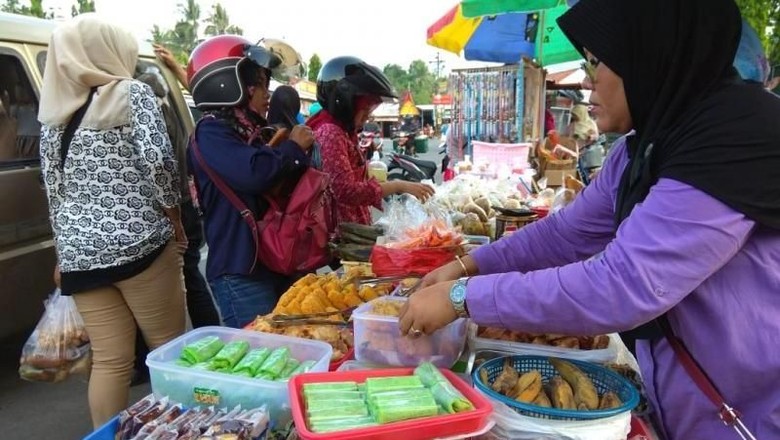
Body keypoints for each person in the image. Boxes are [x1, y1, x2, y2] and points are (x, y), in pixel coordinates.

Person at [398, 1, 780, 439]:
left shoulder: (733, 139)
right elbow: (566, 233)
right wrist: (468, 265)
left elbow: (622, 285)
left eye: (597, 61)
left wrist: (465, 296)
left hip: (752, 415)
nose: (585, 79)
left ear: (648, 51)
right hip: (687, 404)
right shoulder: (644, 146)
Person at [38, 15, 186, 428]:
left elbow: (53, 189)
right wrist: (174, 216)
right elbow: (160, 162)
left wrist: (62, 251)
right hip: (141, 246)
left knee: (110, 360)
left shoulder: (54, 114)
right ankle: (180, 432)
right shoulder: (132, 94)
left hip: (81, 258)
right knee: (166, 351)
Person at [186, 35, 314, 328]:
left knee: (288, 348)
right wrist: (292, 147)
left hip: (271, 261)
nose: (267, 93)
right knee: (261, 359)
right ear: (227, 85)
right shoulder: (212, 132)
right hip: (240, 271)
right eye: (258, 83)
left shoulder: (251, 129)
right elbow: (253, 174)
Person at [308, 56, 434, 226]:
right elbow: (346, 191)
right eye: (365, 108)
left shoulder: (344, 132)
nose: (368, 115)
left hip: (352, 228)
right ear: (345, 102)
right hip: (339, 237)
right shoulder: (330, 133)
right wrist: (397, 185)